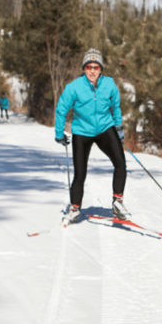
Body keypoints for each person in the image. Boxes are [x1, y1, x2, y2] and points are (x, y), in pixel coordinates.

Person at [54, 48, 128, 222]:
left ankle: (117, 202)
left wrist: (119, 127)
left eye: (96, 67)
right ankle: (75, 209)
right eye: (89, 67)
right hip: (82, 132)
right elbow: (61, 109)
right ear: (84, 69)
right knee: (80, 173)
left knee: (120, 163)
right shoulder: (74, 87)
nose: (92, 71)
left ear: (101, 69)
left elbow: (115, 107)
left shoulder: (109, 84)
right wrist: (59, 133)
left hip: (105, 128)